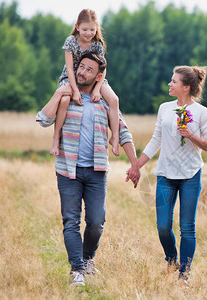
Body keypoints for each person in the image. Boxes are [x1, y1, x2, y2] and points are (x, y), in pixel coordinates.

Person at [36, 52, 140, 286]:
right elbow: (43, 119)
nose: (82, 72)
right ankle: (77, 270)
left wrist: (134, 163)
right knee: (70, 220)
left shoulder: (104, 101)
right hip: (67, 170)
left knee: (96, 220)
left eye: (88, 70)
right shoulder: (66, 95)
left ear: (99, 76)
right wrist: (57, 93)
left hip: (96, 171)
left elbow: (122, 131)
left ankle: (87, 258)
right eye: (80, 67)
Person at [135, 65, 207, 283]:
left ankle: (184, 273)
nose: (169, 84)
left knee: (187, 227)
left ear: (186, 87)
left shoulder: (202, 113)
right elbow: (156, 141)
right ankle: (172, 259)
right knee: (163, 227)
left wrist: (191, 135)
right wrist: (137, 165)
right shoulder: (164, 108)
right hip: (166, 175)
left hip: (190, 175)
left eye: (173, 81)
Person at [51, 8, 120, 157]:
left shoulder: (97, 45)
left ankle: (115, 137)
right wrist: (75, 90)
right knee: (64, 101)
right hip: (71, 77)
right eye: (85, 30)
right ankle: (56, 138)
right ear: (77, 27)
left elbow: (104, 68)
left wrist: (97, 89)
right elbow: (69, 68)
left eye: (92, 30)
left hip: (94, 78)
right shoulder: (71, 41)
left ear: (97, 28)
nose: (89, 33)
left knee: (114, 100)